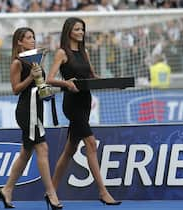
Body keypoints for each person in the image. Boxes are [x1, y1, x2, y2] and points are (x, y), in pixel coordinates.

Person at [46, 17, 121, 205]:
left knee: (69, 150)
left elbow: (92, 76)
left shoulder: (84, 52)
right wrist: (66, 83)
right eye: (77, 29)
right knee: (91, 144)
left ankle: (51, 191)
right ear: (69, 31)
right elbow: (49, 79)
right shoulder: (62, 53)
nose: (81, 32)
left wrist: (114, 83)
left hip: (85, 101)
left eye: (82, 29)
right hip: (72, 103)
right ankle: (103, 192)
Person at [0, 27, 62, 210]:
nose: (33, 40)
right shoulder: (17, 63)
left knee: (26, 153)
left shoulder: (36, 61)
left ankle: (7, 189)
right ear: (19, 41)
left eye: (34, 37)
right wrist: (30, 78)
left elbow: (40, 86)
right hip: (27, 111)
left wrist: (46, 88)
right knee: (42, 148)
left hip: (37, 108)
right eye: (28, 37)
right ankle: (51, 193)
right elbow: (16, 89)